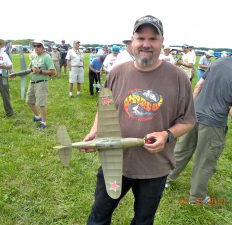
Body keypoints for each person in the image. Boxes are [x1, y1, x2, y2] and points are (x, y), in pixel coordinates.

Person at [83, 15, 196, 224]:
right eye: (141, 38)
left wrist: (167, 134)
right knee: (99, 216)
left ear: (162, 42)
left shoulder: (179, 78)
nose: (146, 44)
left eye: (153, 38)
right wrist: (95, 130)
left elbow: (188, 120)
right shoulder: (117, 73)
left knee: (144, 220)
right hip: (115, 163)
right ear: (132, 41)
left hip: (155, 167)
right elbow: (104, 107)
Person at [166, 56, 232, 204]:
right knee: (205, 160)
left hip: (194, 114)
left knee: (181, 150)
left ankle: (165, 180)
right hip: (214, 122)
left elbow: (198, 85)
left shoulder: (222, 60)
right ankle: (197, 197)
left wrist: (192, 109)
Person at [25, 40, 55, 130]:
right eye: (35, 46)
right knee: (29, 101)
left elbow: (53, 72)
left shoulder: (47, 57)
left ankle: (43, 123)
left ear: (42, 47)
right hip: (32, 82)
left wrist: (40, 71)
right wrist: (17, 74)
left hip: (42, 83)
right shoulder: (34, 57)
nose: (36, 48)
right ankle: (37, 117)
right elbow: (30, 69)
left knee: (41, 103)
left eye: (38, 46)